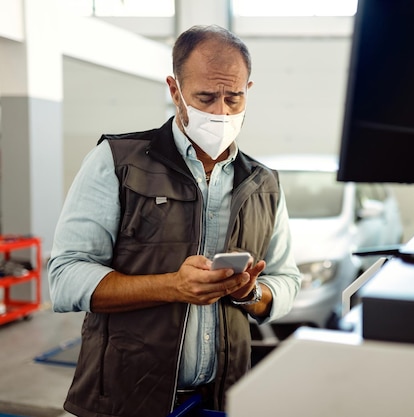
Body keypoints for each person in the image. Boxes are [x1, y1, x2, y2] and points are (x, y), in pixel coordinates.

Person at [48, 24, 301, 417]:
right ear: (174, 90)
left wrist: (248, 294)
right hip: (124, 398)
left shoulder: (263, 182)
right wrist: (173, 286)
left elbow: (287, 279)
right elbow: (65, 278)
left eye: (233, 98)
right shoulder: (118, 162)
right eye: (205, 97)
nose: (221, 112)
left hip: (221, 399)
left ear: (248, 90)